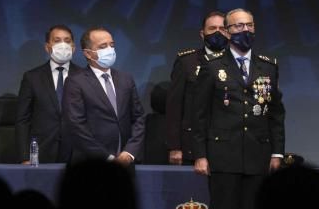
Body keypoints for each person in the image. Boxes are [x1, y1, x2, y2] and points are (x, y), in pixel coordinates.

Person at [192, 8, 285, 209]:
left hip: (257, 155)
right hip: (223, 155)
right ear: (227, 31)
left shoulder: (268, 66)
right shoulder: (212, 67)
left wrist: (277, 151)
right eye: (238, 26)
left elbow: (276, 113)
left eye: (249, 25)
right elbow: (199, 114)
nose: (244, 30)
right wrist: (200, 154)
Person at [62, 27, 145, 165]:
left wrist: (129, 152)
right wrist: (108, 158)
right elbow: (76, 126)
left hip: (126, 163)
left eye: (112, 45)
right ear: (88, 54)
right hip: (91, 164)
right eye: (103, 46)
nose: (110, 50)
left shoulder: (126, 79)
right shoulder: (75, 82)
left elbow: (138, 118)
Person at [15, 25, 86, 163]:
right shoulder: (32, 77)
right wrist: (24, 156)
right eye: (57, 40)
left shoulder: (85, 76)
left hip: (78, 152)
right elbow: (22, 120)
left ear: (73, 47)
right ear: (47, 47)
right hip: (42, 151)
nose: (63, 45)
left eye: (67, 40)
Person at [165, 10, 228, 165]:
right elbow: (174, 106)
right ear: (202, 33)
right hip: (192, 145)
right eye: (212, 28)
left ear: (230, 33)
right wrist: (175, 146)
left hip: (228, 145)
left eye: (222, 29)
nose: (218, 33)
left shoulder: (238, 63)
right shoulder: (187, 61)